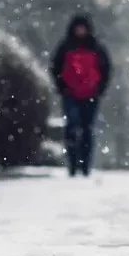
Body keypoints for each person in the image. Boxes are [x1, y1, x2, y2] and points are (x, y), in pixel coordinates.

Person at [51, 14, 111, 177]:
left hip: (90, 94)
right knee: (72, 127)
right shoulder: (65, 47)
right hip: (70, 94)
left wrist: (99, 89)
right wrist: (62, 87)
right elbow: (56, 67)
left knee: (86, 130)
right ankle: (73, 164)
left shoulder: (96, 48)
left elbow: (105, 70)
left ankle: (84, 165)